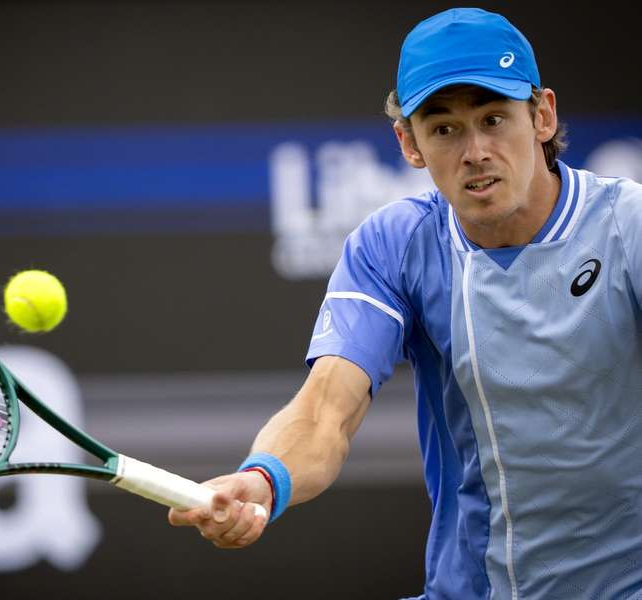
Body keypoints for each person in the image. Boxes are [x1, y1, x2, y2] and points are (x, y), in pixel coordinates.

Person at [168, 7, 642, 599]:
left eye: (494, 119)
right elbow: (325, 412)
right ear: (409, 143)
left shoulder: (628, 225)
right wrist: (264, 479)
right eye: (444, 129)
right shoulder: (392, 245)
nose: (475, 151)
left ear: (542, 115)